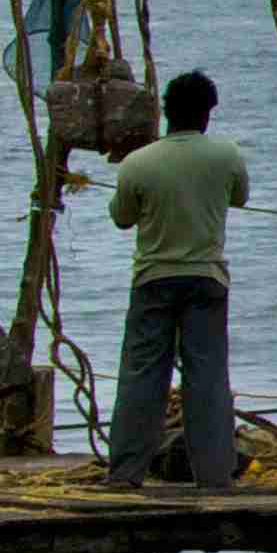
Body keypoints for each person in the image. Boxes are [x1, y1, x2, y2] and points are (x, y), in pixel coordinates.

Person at [102, 68, 252, 489]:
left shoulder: (139, 162)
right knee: (207, 377)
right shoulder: (226, 155)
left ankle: (127, 474)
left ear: (165, 111)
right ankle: (215, 474)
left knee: (141, 376)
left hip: (153, 279)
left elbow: (121, 218)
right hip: (207, 279)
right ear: (208, 113)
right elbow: (239, 196)